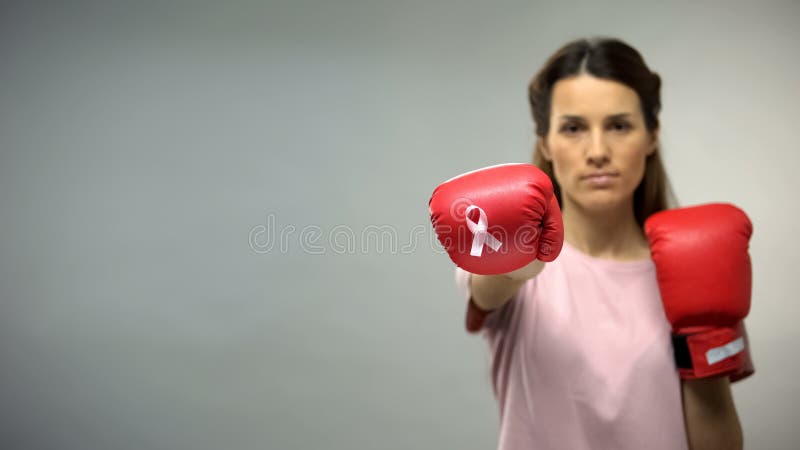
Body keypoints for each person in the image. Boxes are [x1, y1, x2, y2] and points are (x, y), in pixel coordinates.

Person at [428, 37, 753, 450]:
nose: (598, 151)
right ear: (546, 142)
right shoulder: (508, 251)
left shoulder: (696, 260)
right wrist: (516, 263)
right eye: (574, 128)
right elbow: (485, 291)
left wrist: (706, 340)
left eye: (619, 126)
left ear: (651, 136)